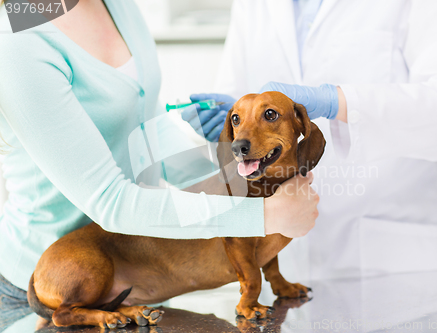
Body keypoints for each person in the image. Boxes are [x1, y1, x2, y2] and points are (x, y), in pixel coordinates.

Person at [0, 0, 320, 329]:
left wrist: (218, 157)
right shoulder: (16, 36)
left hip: (139, 269)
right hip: (50, 289)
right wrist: (264, 216)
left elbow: (146, 130)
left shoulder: (115, 5)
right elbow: (110, 200)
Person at [183, 0, 437, 281]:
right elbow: (240, 98)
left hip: (391, 260)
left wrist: (336, 102)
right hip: (283, 255)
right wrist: (232, 122)